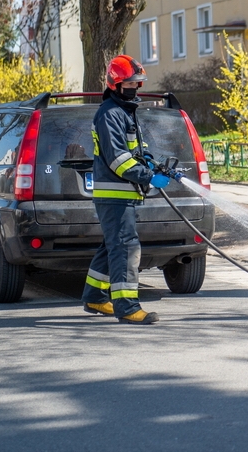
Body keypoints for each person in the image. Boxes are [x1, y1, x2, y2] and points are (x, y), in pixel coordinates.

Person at [81, 54, 170, 325]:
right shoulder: (109, 114)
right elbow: (118, 159)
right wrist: (147, 177)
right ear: (115, 85)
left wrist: (153, 164)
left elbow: (136, 150)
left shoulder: (124, 112)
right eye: (130, 83)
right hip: (115, 194)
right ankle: (128, 307)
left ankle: (95, 296)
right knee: (126, 248)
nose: (136, 88)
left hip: (122, 194)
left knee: (113, 246)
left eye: (138, 83)